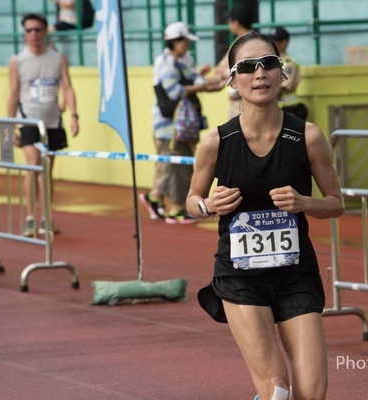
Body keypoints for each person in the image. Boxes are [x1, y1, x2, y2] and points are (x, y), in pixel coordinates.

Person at [186, 31, 344, 400]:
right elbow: (191, 201)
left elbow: (336, 203)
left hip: (295, 276)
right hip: (240, 277)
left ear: (281, 73)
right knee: (278, 390)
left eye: (268, 64)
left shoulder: (307, 137)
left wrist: (305, 203)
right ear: (232, 79)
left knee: (311, 395)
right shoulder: (216, 142)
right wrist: (209, 205)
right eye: (247, 67)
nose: (259, 73)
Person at [139, 21, 224, 224]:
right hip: (170, 126)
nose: (187, 45)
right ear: (175, 42)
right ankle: (175, 208)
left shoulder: (182, 59)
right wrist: (205, 86)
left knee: (171, 165)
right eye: (184, 41)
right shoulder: (165, 63)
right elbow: (175, 91)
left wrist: (210, 81)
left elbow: (193, 80)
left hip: (178, 126)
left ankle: (155, 197)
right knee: (176, 165)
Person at [7, 13, 79, 236]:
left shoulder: (58, 58)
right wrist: (10, 126)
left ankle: (46, 218)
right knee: (33, 166)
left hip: (52, 122)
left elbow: (67, 87)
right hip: (29, 121)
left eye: (37, 30)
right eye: (29, 31)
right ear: (24, 34)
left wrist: (74, 115)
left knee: (46, 171)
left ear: (45, 32)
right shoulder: (17, 60)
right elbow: (12, 93)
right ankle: (30, 217)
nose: (33, 34)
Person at [214, 4, 254, 119]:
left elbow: (221, 69)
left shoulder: (240, 43)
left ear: (236, 22)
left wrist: (225, 72)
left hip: (241, 100)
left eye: (230, 21)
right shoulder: (259, 41)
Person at [267, 26, 308, 120]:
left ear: (284, 43)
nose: (270, 44)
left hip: (289, 109)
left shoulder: (289, 63)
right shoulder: (269, 62)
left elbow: (286, 85)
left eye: (274, 41)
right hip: (274, 109)